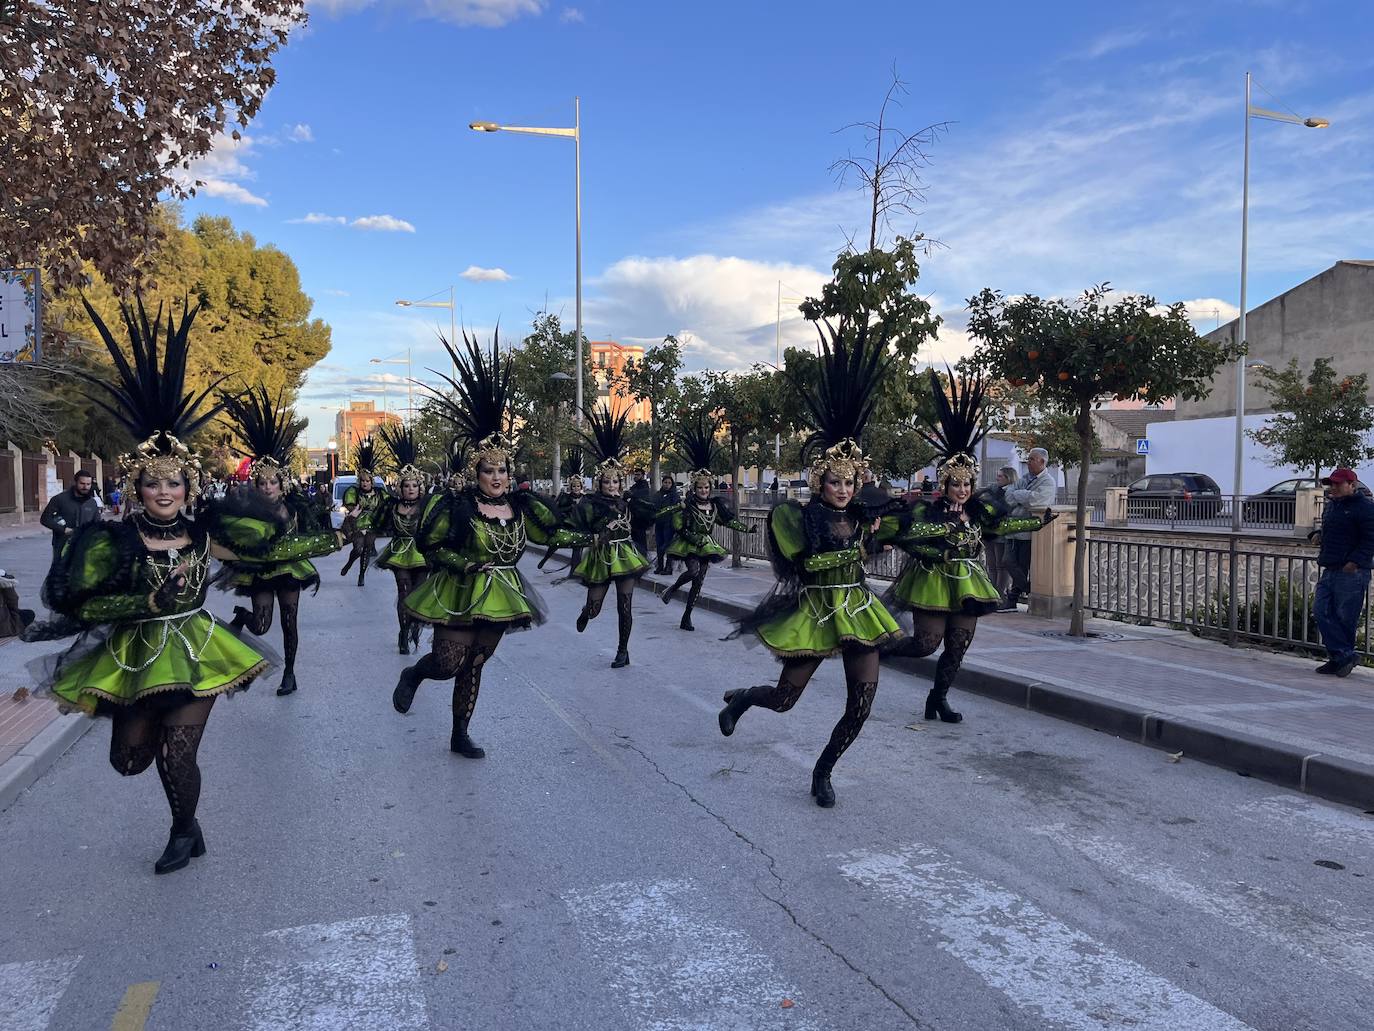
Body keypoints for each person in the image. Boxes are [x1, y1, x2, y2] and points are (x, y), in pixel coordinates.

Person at [24, 295, 281, 874]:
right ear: (136, 487)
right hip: (134, 654)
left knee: (178, 754)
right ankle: (183, 817)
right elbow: (78, 600)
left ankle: (183, 832)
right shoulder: (112, 541)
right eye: (152, 483)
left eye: (173, 483)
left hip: (196, 652)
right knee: (130, 759)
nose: (164, 493)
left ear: (188, 486)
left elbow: (265, 545)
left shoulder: (201, 533)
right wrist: (143, 599)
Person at [718, 318, 901, 809]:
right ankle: (745, 698)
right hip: (815, 612)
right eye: (835, 481)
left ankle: (823, 772)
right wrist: (861, 548)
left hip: (859, 611)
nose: (844, 489)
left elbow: (902, 532)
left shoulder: (865, 514)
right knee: (785, 700)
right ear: (821, 482)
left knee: (861, 705)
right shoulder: (796, 517)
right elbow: (810, 565)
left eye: (850, 481)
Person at [392, 331, 590, 756]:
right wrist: (463, 564)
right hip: (459, 589)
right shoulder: (457, 506)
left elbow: (549, 535)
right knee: (447, 664)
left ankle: (459, 734)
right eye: (488, 470)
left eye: (502, 469)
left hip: (502, 594)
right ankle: (414, 674)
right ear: (475, 472)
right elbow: (432, 545)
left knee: (475, 665)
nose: (497, 477)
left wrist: (589, 536)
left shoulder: (520, 507)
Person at [882, 372, 1055, 723]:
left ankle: (938, 698)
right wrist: (937, 548)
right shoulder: (926, 510)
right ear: (945, 483)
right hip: (931, 581)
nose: (962, 489)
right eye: (956, 483)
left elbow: (1000, 525)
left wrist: (1036, 523)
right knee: (926, 644)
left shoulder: (978, 510)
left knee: (958, 644)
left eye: (967, 483)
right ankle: (876, 652)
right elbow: (906, 536)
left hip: (967, 582)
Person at [216, 387, 341, 697]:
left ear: (282, 483)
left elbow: (309, 534)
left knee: (289, 622)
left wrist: (335, 536)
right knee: (261, 625)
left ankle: (289, 672)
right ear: (256, 484)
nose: (268, 486)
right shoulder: (248, 509)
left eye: (273, 481)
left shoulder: (295, 506)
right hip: (260, 570)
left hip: (289, 570)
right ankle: (243, 617)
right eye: (263, 481)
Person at [567, 406, 659, 668]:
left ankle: (623, 650)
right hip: (600, 558)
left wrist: (638, 502)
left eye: (616, 482)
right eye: (607, 482)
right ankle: (587, 612)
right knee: (596, 606)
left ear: (621, 482)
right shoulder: (590, 503)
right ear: (600, 483)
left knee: (625, 606)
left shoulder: (629, 501)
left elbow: (649, 515)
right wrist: (591, 537)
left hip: (626, 557)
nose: (612, 486)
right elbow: (577, 527)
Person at [660, 414, 755, 630]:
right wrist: (692, 534)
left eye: (706, 488)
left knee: (699, 582)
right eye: (700, 488)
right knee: (692, 572)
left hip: (707, 546)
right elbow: (678, 526)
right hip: (689, 545)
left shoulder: (713, 506)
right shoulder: (687, 506)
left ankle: (687, 617)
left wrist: (748, 529)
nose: (703, 490)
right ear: (694, 489)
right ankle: (673, 588)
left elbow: (727, 521)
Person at [374, 425, 431, 655]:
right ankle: (403, 632)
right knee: (403, 592)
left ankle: (414, 625)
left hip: (422, 554)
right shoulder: (392, 505)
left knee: (418, 594)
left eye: (414, 485)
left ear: (420, 487)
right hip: (399, 553)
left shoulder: (428, 506)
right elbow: (379, 524)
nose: (410, 489)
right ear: (400, 487)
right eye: (406, 485)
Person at [1312, 467, 1374, 677]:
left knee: (1344, 618)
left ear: (1352, 485)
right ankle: (1343, 656)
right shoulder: (1333, 506)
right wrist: (1317, 534)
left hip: (1352, 572)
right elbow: (1332, 529)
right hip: (1330, 567)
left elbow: (1370, 539)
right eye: (1332, 484)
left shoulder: (1365, 508)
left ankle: (1338, 659)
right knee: (1321, 611)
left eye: (1338, 484)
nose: (1334, 487)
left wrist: (1355, 561)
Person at [1002, 447, 1056, 609]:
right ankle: (1027, 588)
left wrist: (1019, 494)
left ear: (1042, 461)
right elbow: (1007, 496)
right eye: (1028, 459)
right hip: (1013, 528)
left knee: (1022, 565)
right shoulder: (1024, 478)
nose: (1028, 462)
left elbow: (1036, 501)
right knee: (1008, 561)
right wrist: (1022, 495)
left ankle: (1012, 599)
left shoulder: (1048, 482)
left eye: (1032, 459)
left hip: (1029, 531)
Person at [339, 438, 383, 586]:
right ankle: (349, 562)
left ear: (371, 481)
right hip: (357, 525)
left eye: (367, 481)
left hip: (372, 526)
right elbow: (351, 509)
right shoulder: (353, 492)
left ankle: (361, 575)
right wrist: (355, 511)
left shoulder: (379, 493)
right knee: (358, 549)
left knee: (366, 550)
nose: (365, 483)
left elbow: (389, 504)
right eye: (362, 481)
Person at [536, 448, 586, 572]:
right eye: (574, 486)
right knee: (555, 543)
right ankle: (545, 559)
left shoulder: (586, 498)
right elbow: (558, 510)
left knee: (578, 548)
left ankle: (577, 571)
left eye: (578, 486)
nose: (576, 488)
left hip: (582, 527)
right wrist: (570, 508)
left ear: (581, 486)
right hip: (567, 526)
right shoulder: (565, 497)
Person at [39, 469, 101, 568]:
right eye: (82, 483)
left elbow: (98, 524)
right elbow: (45, 519)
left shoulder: (92, 503)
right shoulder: (59, 499)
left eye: (88, 484)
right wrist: (63, 530)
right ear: (75, 482)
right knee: (60, 575)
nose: (85, 487)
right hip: (62, 544)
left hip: (84, 546)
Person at [986, 466, 1020, 609]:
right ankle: (992, 596)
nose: (997, 478)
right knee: (991, 566)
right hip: (989, 532)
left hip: (1001, 533)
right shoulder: (994, 490)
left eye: (1000, 476)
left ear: (1008, 478)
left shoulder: (1011, 492)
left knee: (1001, 566)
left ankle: (1000, 596)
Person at [653, 473, 680, 575]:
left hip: (669, 524)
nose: (667, 485)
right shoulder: (658, 494)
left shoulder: (674, 495)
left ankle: (669, 568)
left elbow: (677, 508)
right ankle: (660, 566)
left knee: (667, 545)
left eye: (669, 483)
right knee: (659, 545)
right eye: (665, 482)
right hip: (659, 523)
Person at [0, 567, 35, 639]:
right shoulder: (12, 627)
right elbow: (12, 603)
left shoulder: (13, 623)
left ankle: (3, 580)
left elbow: (12, 602)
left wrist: (8, 587)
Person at [627, 466, 653, 558]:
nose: (636, 476)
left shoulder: (644, 486)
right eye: (635, 474)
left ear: (642, 475)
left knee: (641, 538)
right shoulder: (635, 486)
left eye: (638, 475)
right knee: (635, 538)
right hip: (634, 517)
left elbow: (641, 496)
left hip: (641, 518)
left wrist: (632, 494)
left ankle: (643, 556)